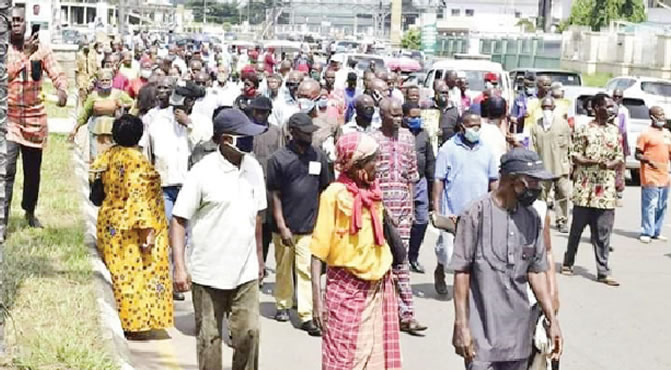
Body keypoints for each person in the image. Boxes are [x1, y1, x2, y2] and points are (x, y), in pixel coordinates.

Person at [450, 148, 563, 370]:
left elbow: (536, 271)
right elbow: (462, 273)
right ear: (515, 181)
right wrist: (461, 324)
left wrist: (552, 320)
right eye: (533, 182)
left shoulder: (531, 218)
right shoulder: (475, 214)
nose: (538, 189)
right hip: (482, 334)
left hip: (518, 336)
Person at [172, 108, 266, 370]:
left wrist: (259, 258)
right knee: (209, 341)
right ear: (226, 140)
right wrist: (180, 267)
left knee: (250, 333)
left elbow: (258, 216)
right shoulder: (202, 172)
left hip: (244, 271)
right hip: (208, 272)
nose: (250, 142)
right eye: (244, 137)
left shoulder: (253, 168)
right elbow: (179, 220)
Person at [310, 132, 401, 370]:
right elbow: (317, 253)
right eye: (374, 160)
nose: (378, 166)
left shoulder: (374, 193)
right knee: (342, 360)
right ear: (356, 164)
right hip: (345, 289)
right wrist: (317, 302)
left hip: (378, 286)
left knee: (377, 358)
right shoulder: (333, 195)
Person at [91, 114, 173, 336]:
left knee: (118, 272)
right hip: (131, 227)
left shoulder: (111, 154)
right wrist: (147, 233)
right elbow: (138, 197)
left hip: (110, 221)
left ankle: (125, 320)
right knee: (133, 275)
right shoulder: (136, 162)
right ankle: (133, 324)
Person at [5, 7, 68, 229]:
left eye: (19, 20)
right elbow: (4, 76)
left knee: (33, 173)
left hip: (34, 119)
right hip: (10, 119)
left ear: (26, 23)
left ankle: (29, 212)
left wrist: (61, 89)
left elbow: (57, 72)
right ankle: (2, 220)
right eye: (12, 20)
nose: (16, 24)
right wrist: (25, 56)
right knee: (7, 170)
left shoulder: (42, 48)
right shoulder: (4, 49)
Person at [267, 113, 330, 336]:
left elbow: (325, 189)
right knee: (283, 268)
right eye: (304, 132)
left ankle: (306, 315)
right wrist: (282, 226)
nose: (309, 135)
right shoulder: (278, 159)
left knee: (305, 270)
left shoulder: (319, 157)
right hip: (284, 225)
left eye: (310, 132)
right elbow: (274, 194)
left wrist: (323, 222)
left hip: (309, 225)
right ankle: (283, 304)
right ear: (292, 132)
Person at [372, 99, 427, 334]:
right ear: (382, 115)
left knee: (401, 264)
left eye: (399, 115)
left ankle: (407, 314)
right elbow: (369, 178)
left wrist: (412, 209)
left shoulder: (407, 137)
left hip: (403, 211)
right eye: (393, 115)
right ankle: (380, 312)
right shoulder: (373, 140)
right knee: (379, 263)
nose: (397, 119)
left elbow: (411, 175)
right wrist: (381, 210)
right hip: (378, 211)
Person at [431, 112, 499, 295]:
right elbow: (439, 179)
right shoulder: (448, 149)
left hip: (478, 210)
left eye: (478, 126)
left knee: (477, 251)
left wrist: (497, 203)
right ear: (462, 127)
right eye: (472, 126)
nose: (476, 130)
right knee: (446, 251)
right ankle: (440, 270)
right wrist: (436, 209)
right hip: (452, 209)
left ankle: (469, 286)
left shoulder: (486, 149)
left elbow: (493, 179)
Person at [562, 94, 623, 286]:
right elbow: (575, 155)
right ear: (596, 108)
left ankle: (603, 271)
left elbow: (619, 156)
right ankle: (568, 262)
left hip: (605, 191)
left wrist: (611, 165)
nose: (611, 110)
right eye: (607, 106)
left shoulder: (615, 131)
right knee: (576, 231)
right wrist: (591, 162)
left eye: (613, 107)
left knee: (603, 232)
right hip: (585, 190)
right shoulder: (584, 130)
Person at [249, 97, 283, 271]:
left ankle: (261, 264)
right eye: (257, 111)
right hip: (250, 187)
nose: (260, 115)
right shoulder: (247, 131)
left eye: (263, 112)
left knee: (268, 228)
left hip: (270, 187)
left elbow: (281, 157)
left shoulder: (276, 132)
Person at [70, 68, 134, 161]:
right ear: (99, 82)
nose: (105, 82)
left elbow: (132, 104)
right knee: (96, 159)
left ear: (111, 81)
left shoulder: (118, 94)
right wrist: (75, 128)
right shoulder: (93, 96)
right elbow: (85, 114)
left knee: (112, 159)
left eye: (107, 80)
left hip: (113, 132)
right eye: (102, 80)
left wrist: (122, 105)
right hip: (96, 132)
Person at [530, 97, 572, 234]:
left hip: (561, 167)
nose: (547, 110)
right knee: (541, 196)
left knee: (563, 194)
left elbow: (570, 146)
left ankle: (562, 221)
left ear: (554, 108)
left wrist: (571, 165)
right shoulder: (536, 126)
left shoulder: (563, 124)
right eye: (545, 108)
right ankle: (540, 220)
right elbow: (533, 148)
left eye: (549, 107)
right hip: (543, 168)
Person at [402, 102, 435, 274]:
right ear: (404, 117)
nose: (416, 120)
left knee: (421, 221)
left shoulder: (424, 134)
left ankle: (413, 256)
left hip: (421, 182)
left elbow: (430, 160)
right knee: (402, 223)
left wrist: (432, 186)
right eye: (413, 117)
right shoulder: (399, 133)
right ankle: (399, 258)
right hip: (401, 183)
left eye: (419, 117)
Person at [635, 106, 671, 243]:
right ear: (652, 117)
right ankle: (646, 231)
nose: (662, 117)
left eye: (663, 114)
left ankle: (657, 231)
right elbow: (638, 154)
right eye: (659, 114)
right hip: (650, 175)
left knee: (662, 204)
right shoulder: (645, 133)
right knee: (650, 204)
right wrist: (649, 161)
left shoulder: (667, 133)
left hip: (664, 174)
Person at [421, 80, 460, 151]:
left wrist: (445, 132)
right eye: (442, 93)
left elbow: (458, 131)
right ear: (436, 94)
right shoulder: (428, 108)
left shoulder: (454, 110)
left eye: (446, 93)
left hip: (448, 146)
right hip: (431, 146)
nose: (444, 95)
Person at [612, 88, 631, 205]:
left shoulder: (624, 111)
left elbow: (626, 128)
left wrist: (626, 145)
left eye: (619, 97)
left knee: (621, 168)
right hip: (610, 141)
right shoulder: (608, 108)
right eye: (615, 96)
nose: (617, 99)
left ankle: (619, 193)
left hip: (621, 140)